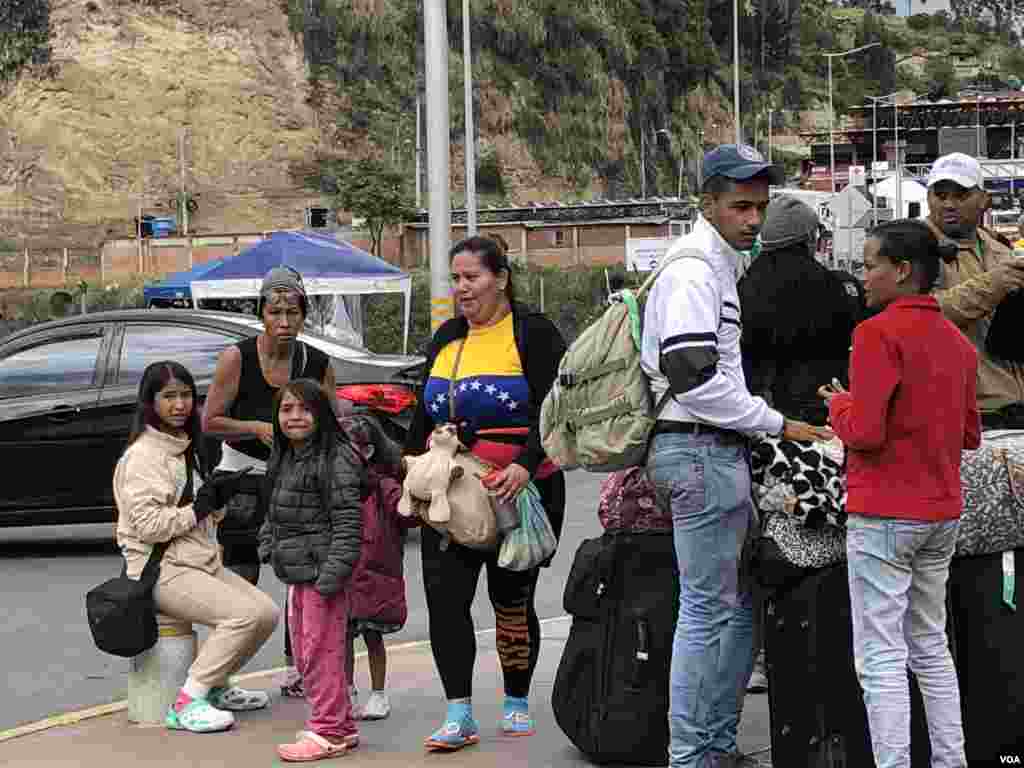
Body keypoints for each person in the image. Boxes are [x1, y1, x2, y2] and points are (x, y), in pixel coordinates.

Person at [641, 144, 833, 768]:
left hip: (711, 452)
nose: (752, 219)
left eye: (760, 207)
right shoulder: (695, 270)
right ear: (708, 204)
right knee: (705, 611)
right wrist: (778, 424)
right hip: (698, 451)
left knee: (732, 606)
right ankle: (692, 756)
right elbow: (694, 378)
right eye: (739, 207)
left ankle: (713, 746)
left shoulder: (717, 266)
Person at [820, 219, 980, 768]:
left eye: (870, 265)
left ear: (903, 271)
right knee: (931, 648)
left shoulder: (874, 334)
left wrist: (838, 406)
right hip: (941, 512)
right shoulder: (957, 343)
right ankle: (949, 760)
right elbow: (969, 435)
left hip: (884, 513)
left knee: (881, 657)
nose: (862, 277)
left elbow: (864, 432)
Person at [405, 235, 567, 751]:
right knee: (446, 602)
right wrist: (407, 478)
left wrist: (526, 465)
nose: (461, 288)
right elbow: (420, 416)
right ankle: (459, 713)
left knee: (511, 599)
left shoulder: (534, 334)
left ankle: (516, 700)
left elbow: (556, 410)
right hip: (449, 494)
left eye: (471, 277)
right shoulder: (447, 337)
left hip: (519, 493)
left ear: (501, 278)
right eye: (455, 279)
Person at [738, 194, 866, 696]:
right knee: (834, 531)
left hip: (769, 426)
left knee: (771, 539)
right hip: (832, 422)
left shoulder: (744, 289)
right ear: (812, 238)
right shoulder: (840, 288)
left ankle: (766, 654)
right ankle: (835, 640)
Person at [114, 361, 279, 734]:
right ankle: (187, 703)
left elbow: (197, 514)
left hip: (196, 559)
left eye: (186, 395)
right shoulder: (144, 456)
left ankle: (216, 684)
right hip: (159, 570)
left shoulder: (185, 447)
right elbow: (150, 527)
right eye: (168, 397)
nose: (179, 405)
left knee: (265, 612)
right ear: (150, 403)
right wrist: (198, 509)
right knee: (243, 616)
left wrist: (217, 502)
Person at [203, 266, 336, 696]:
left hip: (298, 478)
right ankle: (220, 677)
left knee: (302, 578)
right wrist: (256, 429)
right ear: (261, 313)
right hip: (243, 475)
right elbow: (210, 422)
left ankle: (299, 668)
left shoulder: (315, 362)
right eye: (274, 312)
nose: (283, 322)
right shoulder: (237, 358)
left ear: (303, 316)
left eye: (292, 312)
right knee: (239, 577)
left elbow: (332, 418)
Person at [259, 379, 366, 762]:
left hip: (322, 577)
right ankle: (341, 726)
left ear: (321, 414)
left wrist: (329, 579)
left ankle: (329, 731)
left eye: (304, 409)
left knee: (319, 655)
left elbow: (349, 524)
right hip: (299, 575)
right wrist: (268, 544)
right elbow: (275, 509)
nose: (295, 417)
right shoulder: (287, 455)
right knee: (308, 655)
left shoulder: (336, 457)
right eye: (286, 409)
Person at [926, 152, 1024, 429]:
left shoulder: (1000, 248)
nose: (949, 204)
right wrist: (993, 284)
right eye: (941, 195)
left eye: (961, 195)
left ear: (984, 200)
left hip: (1013, 408)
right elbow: (921, 315)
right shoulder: (915, 248)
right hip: (961, 413)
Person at [340, 413, 415, 722]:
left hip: (374, 571)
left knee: (373, 636)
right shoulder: (338, 482)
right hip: (345, 570)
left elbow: (407, 514)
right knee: (342, 637)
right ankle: (346, 692)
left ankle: (378, 694)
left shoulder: (383, 484)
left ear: (368, 451)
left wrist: (417, 490)